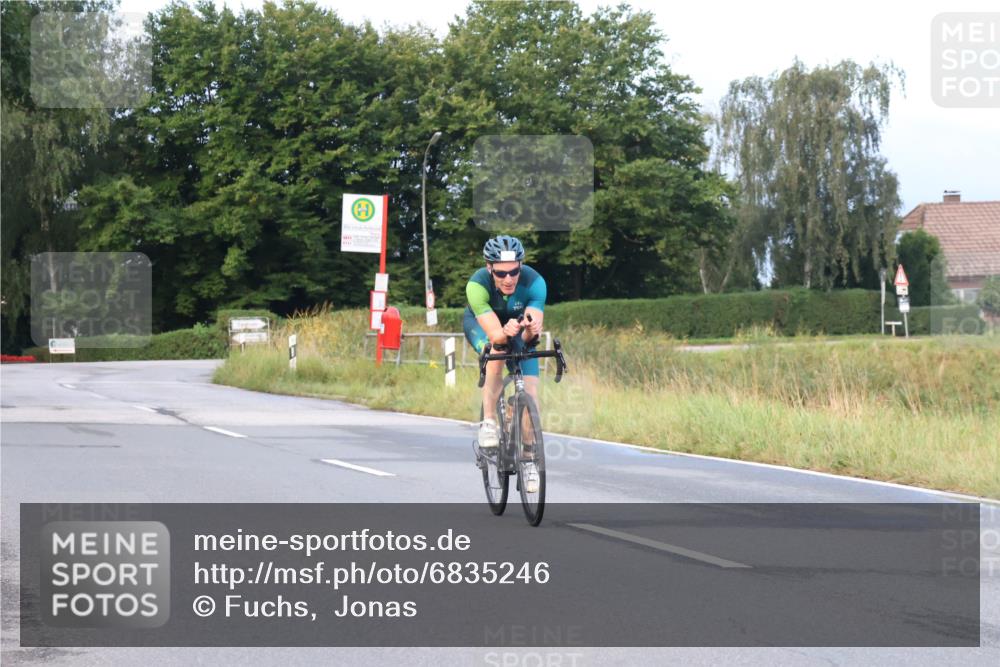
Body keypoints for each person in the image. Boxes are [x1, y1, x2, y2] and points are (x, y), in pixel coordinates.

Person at [463, 235, 546, 492]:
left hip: (516, 328)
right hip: (484, 328)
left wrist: (531, 329)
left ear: (521, 266)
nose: (508, 279)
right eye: (501, 273)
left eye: (514, 271)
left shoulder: (535, 282)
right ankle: (489, 420)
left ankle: (530, 459)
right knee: (497, 349)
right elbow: (498, 336)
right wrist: (505, 334)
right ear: (490, 268)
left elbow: (531, 337)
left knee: (531, 396)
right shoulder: (477, 285)